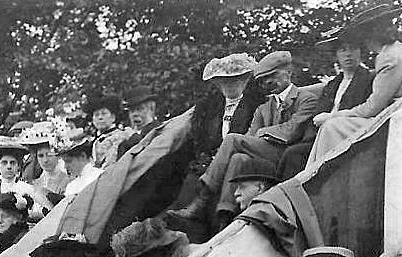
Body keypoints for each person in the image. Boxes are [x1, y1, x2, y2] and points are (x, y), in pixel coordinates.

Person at [169, 51, 319, 226]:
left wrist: (261, 133)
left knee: (232, 139)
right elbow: (248, 137)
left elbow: (291, 131)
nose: (268, 82)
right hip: (265, 157)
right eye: (263, 79)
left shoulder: (306, 99)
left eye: (273, 75)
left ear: (289, 73)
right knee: (238, 157)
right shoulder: (263, 108)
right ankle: (224, 216)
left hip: (289, 155)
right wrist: (256, 137)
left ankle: (203, 198)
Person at [309, 4, 402, 165]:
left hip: (393, 121)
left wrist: (333, 116)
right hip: (390, 116)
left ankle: (318, 177)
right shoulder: (392, 52)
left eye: (362, 34)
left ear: (372, 34)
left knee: (332, 126)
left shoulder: (390, 58)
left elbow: (372, 108)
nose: (361, 40)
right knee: (331, 126)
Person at [277, 32, 373, 179]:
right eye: (343, 50)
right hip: (321, 136)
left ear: (360, 52)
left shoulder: (369, 79)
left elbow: (369, 110)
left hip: (348, 135)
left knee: (294, 155)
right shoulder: (332, 85)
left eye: (352, 49)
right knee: (292, 152)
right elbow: (317, 115)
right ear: (337, 56)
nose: (348, 54)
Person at [86, 94, 134, 169]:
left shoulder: (123, 135)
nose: (100, 117)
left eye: (104, 114)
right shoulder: (93, 142)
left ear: (113, 117)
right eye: (96, 115)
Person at [118, 86, 163, 156]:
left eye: (140, 109)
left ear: (151, 109)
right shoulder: (125, 140)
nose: (135, 114)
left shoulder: (160, 131)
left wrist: (133, 137)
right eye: (132, 110)